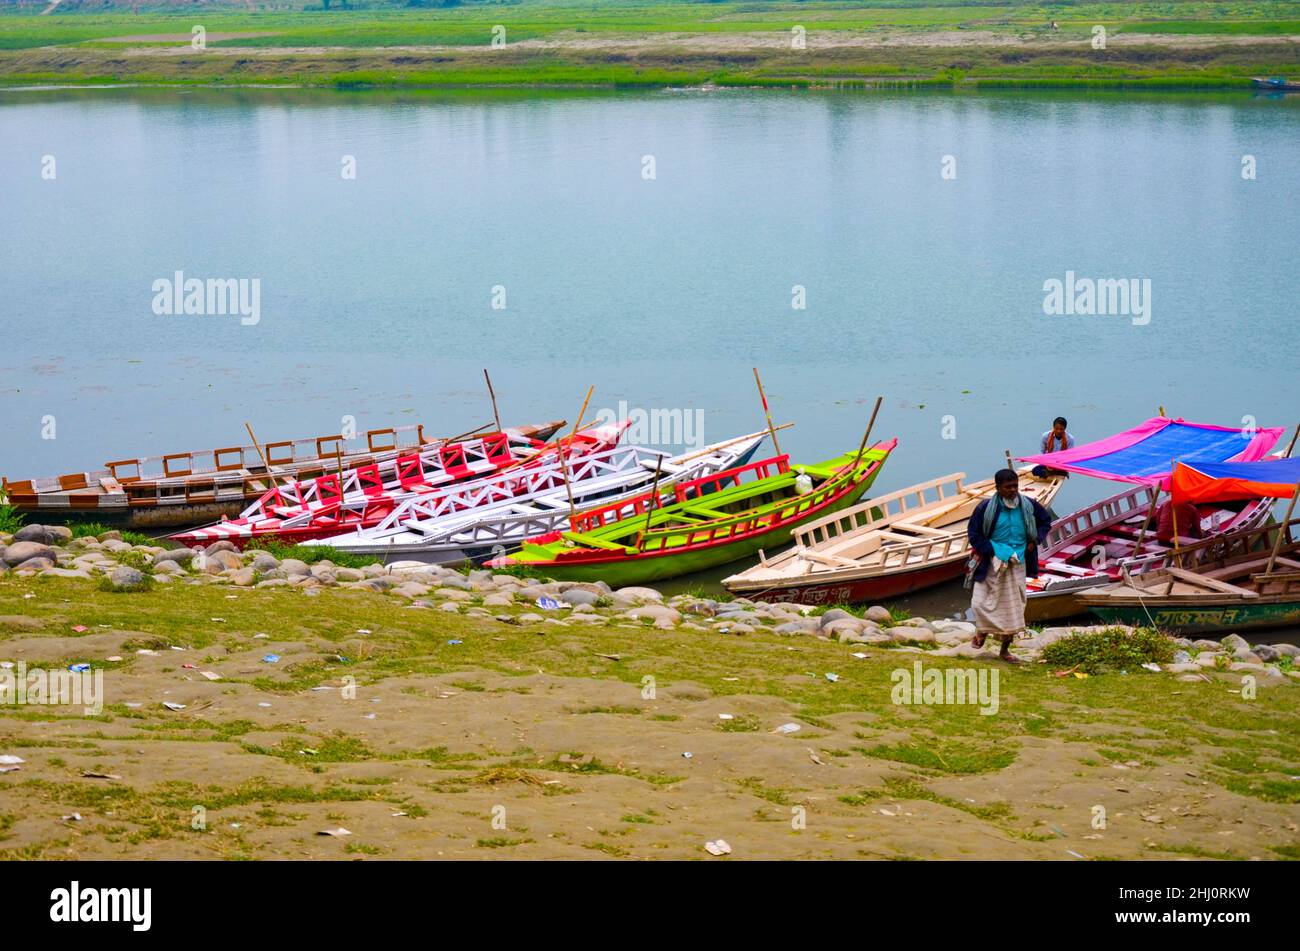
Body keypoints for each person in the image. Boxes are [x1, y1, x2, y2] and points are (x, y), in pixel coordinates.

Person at [966, 469, 1053, 662]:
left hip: (1018, 563)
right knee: (979, 603)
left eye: (1015, 486)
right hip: (991, 563)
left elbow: (1045, 522)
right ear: (998, 488)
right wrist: (992, 550)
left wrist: (1035, 541)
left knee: (1013, 610)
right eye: (1008, 487)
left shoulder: (1029, 505)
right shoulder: (985, 508)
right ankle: (982, 631)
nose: (1013, 490)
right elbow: (974, 534)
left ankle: (1004, 650)